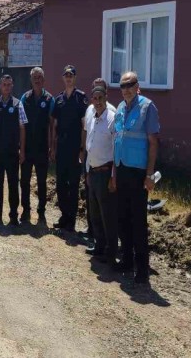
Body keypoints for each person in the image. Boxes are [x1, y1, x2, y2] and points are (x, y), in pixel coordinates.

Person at [111, 71, 160, 284]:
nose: (126, 89)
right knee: (122, 218)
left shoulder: (148, 107)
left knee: (138, 221)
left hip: (138, 173)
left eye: (130, 85)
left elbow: (153, 143)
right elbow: (117, 141)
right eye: (123, 85)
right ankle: (127, 261)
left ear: (137, 86)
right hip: (121, 169)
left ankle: (142, 269)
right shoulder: (121, 108)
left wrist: (149, 174)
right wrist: (114, 174)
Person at [82, 85, 117, 264]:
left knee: (107, 214)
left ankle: (111, 251)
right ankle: (99, 245)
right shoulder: (92, 117)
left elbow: (116, 150)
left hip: (105, 172)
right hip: (93, 172)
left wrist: (113, 176)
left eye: (100, 98)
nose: (97, 102)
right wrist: (88, 171)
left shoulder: (112, 118)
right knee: (94, 212)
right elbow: (90, 145)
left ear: (106, 98)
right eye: (94, 99)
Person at [0, 74, 27, 225]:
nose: (7, 87)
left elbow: (22, 128)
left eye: (9, 84)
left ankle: (13, 215)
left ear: (12, 86)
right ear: (0, 86)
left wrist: (22, 151)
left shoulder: (18, 104)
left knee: (13, 184)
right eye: (4, 84)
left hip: (12, 153)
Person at [51, 65, 88, 232]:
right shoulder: (59, 99)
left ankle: (71, 220)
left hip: (74, 147)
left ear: (75, 78)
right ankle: (64, 215)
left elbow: (84, 126)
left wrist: (82, 149)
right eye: (66, 75)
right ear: (63, 78)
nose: (68, 78)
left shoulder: (81, 98)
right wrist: (53, 147)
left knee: (73, 184)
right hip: (61, 147)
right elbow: (54, 125)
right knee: (60, 184)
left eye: (71, 75)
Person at [19, 67, 54, 224]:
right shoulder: (24, 98)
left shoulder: (49, 99)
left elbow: (52, 125)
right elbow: (21, 124)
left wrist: (52, 147)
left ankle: (41, 211)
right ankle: (26, 210)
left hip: (42, 147)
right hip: (27, 147)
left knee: (41, 181)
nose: (37, 80)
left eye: (39, 77)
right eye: (34, 77)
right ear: (31, 80)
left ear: (43, 80)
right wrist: (21, 148)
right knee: (24, 181)